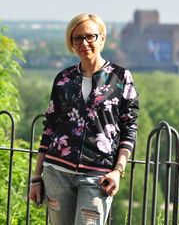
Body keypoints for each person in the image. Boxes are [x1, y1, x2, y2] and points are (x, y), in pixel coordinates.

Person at [29, 13, 139, 225]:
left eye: (90, 36)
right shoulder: (63, 79)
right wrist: (36, 177)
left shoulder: (121, 78)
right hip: (57, 172)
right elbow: (49, 128)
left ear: (102, 38)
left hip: (97, 176)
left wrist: (118, 171)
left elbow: (129, 128)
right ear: (71, 42)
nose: (84, 43)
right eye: (77, 38)